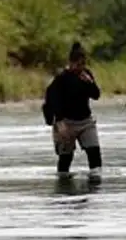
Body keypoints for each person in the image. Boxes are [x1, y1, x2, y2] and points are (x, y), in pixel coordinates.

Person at [42, 42, 102, 175]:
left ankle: (95, 188)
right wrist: (59, 122)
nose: (80, 68)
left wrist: (90, 83)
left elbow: (96, 95)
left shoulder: (86, 75)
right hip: (66, 122)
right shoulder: (61, 79)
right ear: (70, 63)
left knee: (94, 153)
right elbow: (52, 101)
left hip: (85, 121)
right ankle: (64, 188)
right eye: (78, 65)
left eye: (83, 64)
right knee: (65, 159)